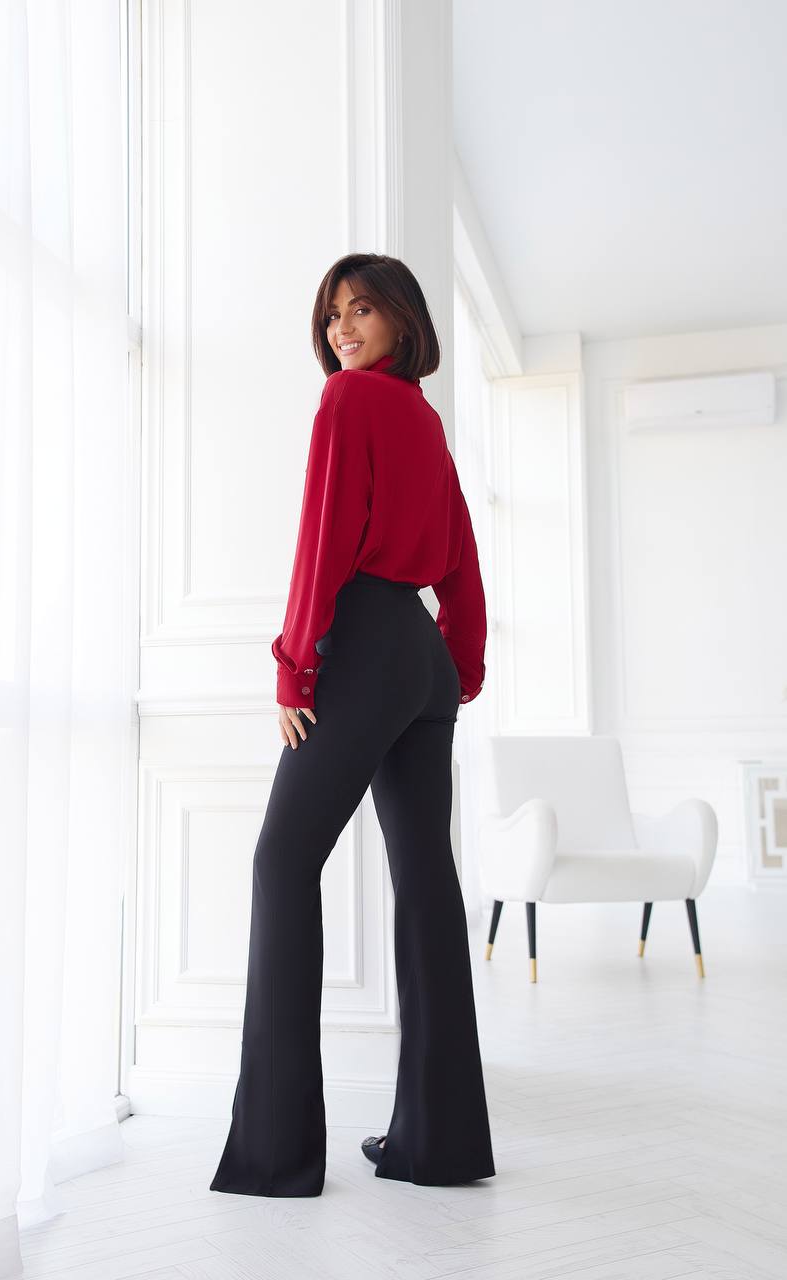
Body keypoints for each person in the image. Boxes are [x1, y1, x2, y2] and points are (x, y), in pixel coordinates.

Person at [209, 252, 495, 1197]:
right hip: (418, 654)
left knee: (281, 863)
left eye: (361, 309)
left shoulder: (348, 404)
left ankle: (276, 1151)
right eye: (332, 314)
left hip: (365, 642)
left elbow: (323, 539)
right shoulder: (424, 420)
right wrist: (460, 660)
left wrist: (296, 662)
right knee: (425, 880)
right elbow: (459, 556)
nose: (341, 329)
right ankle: (440, 1143)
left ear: (403, 321)